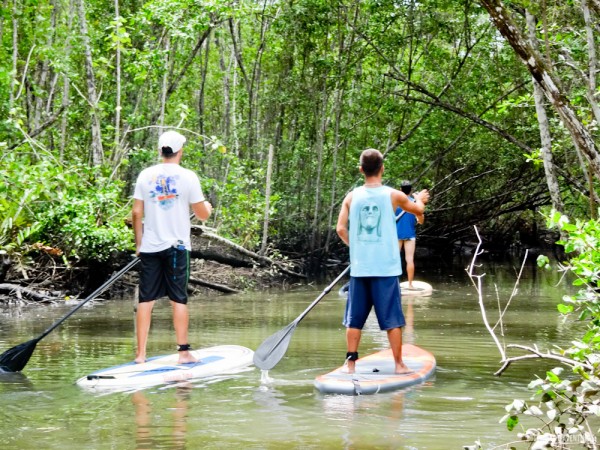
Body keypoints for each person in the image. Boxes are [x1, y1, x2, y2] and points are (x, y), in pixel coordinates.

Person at [336, 149, 429, 374]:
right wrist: (419, 199)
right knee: (392, 320)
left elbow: (340, 229)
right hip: (385, 269)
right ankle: (399, 365)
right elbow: (418, 212)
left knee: (354, 319)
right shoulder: (394, 195)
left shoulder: (351, 196)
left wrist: (355, 248)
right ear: (382, 169)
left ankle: (350, 365)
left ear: (361, 170)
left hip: (360, 268)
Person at [132, 130, 212, 364]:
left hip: (150, 247)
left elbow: (137, 212)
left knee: (146, 300)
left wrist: (139, 244)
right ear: (180, 151)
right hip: (176, 247)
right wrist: (207, 205)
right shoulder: (188, 176)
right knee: (178, 299)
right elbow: (202, 214)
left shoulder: (145, 174)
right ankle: (183, 353)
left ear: (160, 151)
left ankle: (140, 355)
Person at [396, 181, 425, 290]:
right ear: (411, 190)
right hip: (410, 235)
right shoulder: (414, 203)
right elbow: (421, 221)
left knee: (395, 259)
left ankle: (395, 284)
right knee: (409, 259)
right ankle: (410, 284)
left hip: (396, 235)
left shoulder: (396, 203)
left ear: (400, 190)